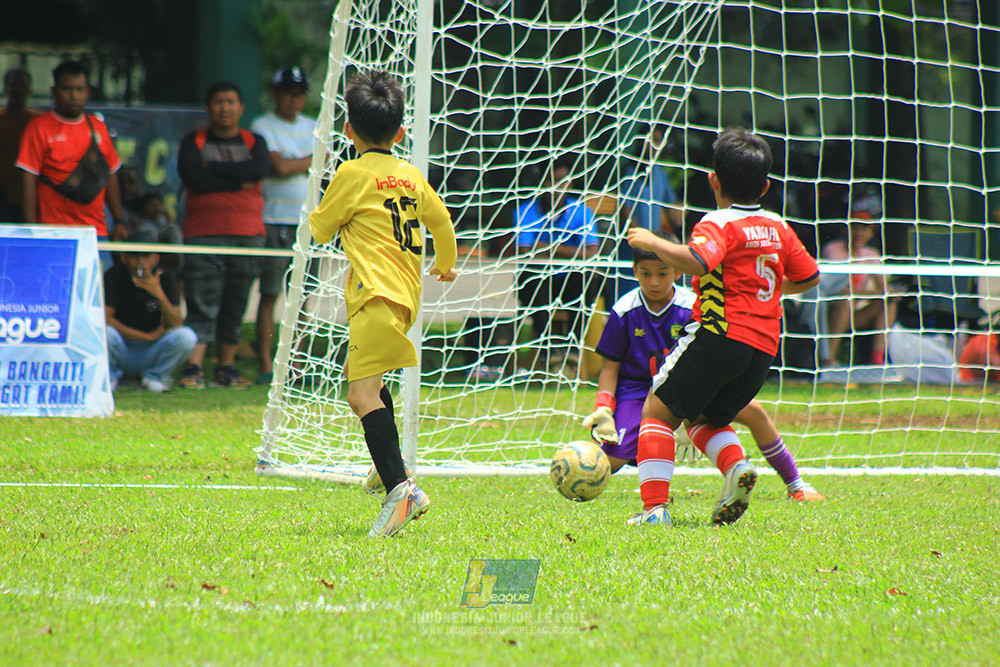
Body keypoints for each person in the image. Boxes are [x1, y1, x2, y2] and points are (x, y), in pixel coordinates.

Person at [623, 128, 820, 527]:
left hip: (719, 334)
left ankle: (654, 511)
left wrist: (652, 241)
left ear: (713, 180)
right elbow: (810, 276)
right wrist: (771, 292)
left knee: (657, 412)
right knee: (704, 420)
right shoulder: (779, 227)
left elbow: (697, 261)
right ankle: (735, 469)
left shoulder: (718, 223)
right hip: (762, 349)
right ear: (765, 185)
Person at [309, 71, 457, 538]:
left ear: (348, 131)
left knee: (360, 395)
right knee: (376, 386)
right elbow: (442, 220)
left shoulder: (351, 173)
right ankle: (387, 465)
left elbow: (320, 229)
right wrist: (446, 264)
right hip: (404, 297)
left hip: (373, 295)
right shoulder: (411, 175)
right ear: (400, 133)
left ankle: (401, 489)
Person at [583, 239, 824, 501]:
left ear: (677, 271)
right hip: (639, 392)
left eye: (662, 274)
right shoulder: (625, 310)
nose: (653, 282)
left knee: (755, 413)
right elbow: (610, 367)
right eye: (646, 274)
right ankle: (590, 478)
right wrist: (604, 407)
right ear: (634, 271)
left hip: (689, 384)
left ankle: (796, 485)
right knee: (611, 461)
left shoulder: (693, 306)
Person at [175, 81, 270, 390]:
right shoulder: (195, 141)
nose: (225, 108)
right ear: (208, 107)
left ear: (241, 108)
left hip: (247, 235)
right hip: (203, 234)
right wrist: (236, 179)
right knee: (202, 300)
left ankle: (226, 367)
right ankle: (194, 366)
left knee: (235, 302)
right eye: (218, 102)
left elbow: (257, 171)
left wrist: (212, 169)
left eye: (231, 102)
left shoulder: (255, 141)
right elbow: (193, 177)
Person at [16, 60, 124, 267]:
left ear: (88, 92)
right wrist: (32, 229)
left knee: (95, 296)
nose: (73, 95)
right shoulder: (39, 127)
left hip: (95, 231)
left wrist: (118, 220)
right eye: (67, 89)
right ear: (54, 91)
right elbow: (28, 181)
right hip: (53, 231)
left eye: (79, 89)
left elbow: (110, 175)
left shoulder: (98, 127)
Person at [250, 67, 317, 385]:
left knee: (303, 297)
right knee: (270, 294)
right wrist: (311, 160)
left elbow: (327, 166)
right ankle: (266, 364)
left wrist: (298, 162)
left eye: (300, 94)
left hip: (309, 222)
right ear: (276, 94)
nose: (294, 100)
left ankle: (298, 368)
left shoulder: (315, 125)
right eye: (288, 93)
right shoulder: (262, 125)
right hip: (273, 220)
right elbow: (277, 165)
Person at [516, 161, 601, 369]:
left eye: (562, 182)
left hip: (570, 281)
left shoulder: (581, 211)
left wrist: (548, 247)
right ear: (541, 184)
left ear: (570, 184)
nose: (557, 188)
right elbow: (526, 251)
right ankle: (547, 348)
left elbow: (591, 253)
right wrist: (571, 251)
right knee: (533, 275)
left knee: (588, 276)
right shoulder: (526, 210)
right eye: (551, 182)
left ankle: (573, 346)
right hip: (540, 282)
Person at [104, 227, 198, 392]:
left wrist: (158, 294)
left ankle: (155, 377)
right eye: (135, 256)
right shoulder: (114, 274)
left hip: (151, 349)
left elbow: (177, 323)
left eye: (146, 256)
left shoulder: (166, 277)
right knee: (106, 332)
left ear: (155, 258)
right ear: (124, 258)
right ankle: (111, 376)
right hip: (123, 345)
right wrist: (146, 336)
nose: (140, 261)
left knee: (186, 337)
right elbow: (106, 318)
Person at [821, 206, 896, 366]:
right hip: (832, 310)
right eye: (855, 227)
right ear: (846, 229)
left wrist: (883, 294)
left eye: (864, 228)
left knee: (890, 302)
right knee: (845, 300)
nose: (859, 233)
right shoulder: (832, 250)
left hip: (856, 313)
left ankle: (877, 360)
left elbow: (884, 291)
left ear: (871, 233)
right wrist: (870, 293)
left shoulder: (871, 254)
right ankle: (828, 360)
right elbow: (840, 290)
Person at [0, 68, 40, 222]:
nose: (17, 89)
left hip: (32, 195)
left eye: (22, 85)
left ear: (29, 90)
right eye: (13, 84)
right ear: (6, 89)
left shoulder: (38, 122)